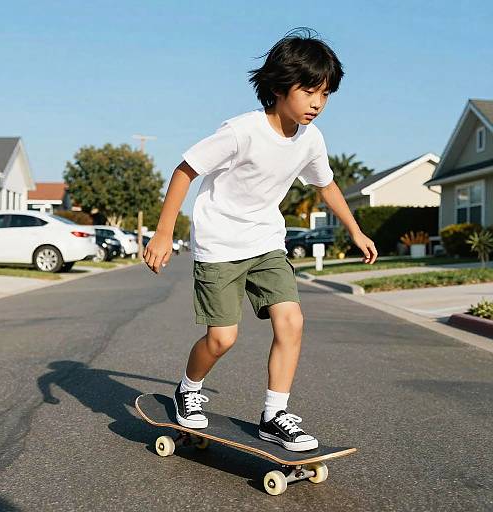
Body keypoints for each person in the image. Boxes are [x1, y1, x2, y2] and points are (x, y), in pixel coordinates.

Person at [143, 27, 378, 452]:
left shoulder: (312, 140)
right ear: (279, 85)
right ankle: (188, 388)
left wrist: (355, 230)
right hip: (219, 245)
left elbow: (326, 186)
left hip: (267, 242)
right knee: (222, 339)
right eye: (310, 91)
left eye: (325, 94)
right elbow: (185, 170)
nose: (318, 104)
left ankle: (274, 414)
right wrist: (163, 233)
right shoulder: (241, 131)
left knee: (292, 319)